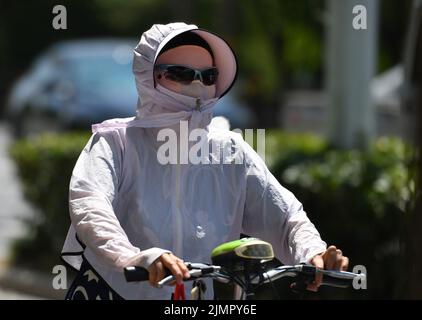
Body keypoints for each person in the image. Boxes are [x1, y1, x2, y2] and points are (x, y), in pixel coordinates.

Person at [61, 22, 348, 300]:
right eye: (181, 73)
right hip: (113, 291)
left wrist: (313, 252)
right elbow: (90, 204)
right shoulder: (116, 142)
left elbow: (285, 217)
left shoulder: (231, 149)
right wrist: (134, 257)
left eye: (208, 76)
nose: (197, 84)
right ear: (148, 76)